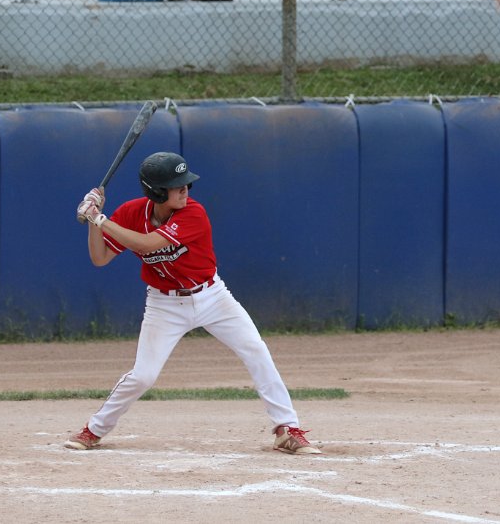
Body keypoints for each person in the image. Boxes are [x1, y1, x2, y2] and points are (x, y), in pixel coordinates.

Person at [67, 151, 320, 455]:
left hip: (212, 297)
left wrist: (100, 219)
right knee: (143, 375)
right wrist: (94, 220)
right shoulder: (131, 213)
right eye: (176, 185)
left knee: (255, 349)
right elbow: (100, 257)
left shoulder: (193, 213)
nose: (185, 189)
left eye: (185, 183)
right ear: (157, 191)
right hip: (164, 305)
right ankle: (94, 429)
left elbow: (147, 243)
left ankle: (286, 429)